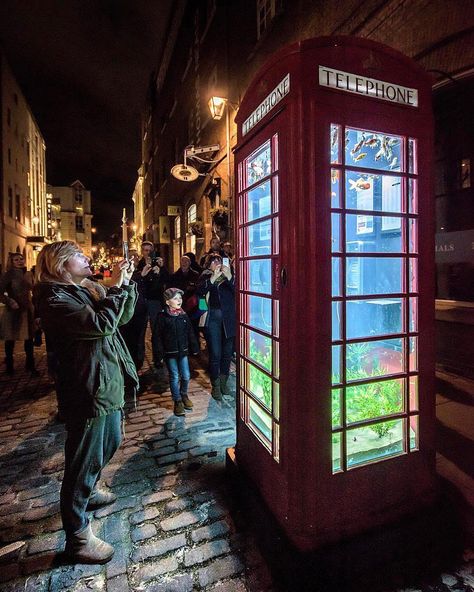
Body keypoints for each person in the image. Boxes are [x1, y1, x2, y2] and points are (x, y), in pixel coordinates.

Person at [34, 240, 138, 565]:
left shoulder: (85, 289)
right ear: (61, 264)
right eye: (79, 255)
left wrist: (126, 284)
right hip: (87, 387)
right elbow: (100, 325)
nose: (87, 258)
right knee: (81, 461)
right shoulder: (55, 299)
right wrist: (117, 288)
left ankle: (90, 491)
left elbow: (122, 318)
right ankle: (78, 537)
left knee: (113, 440)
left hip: (106, 380)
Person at [153, 287, 199, 416]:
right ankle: (177, 400)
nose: (179, 300)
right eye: (175, 298)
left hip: (183, 351)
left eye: (180, 298)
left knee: (186, 375)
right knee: (174, 376)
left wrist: (194, 347)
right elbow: (157, 337)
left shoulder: (183, 315)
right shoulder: (162, 316)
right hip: (170, 352)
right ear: (168, 302)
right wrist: (158, 355)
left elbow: (190, 332)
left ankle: (183, 394)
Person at [197, 254, 235, 400]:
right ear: (209, 265)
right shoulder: (206, 278)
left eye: (219, 261)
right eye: (213, 262)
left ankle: (224, 383)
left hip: (229, 320)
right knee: (215, 353)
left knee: (227, 353)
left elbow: (239, 292)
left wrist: (229, 276)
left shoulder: (230, 277)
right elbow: (199, 292)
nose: (217, 263)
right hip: (212, 319)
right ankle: (216, 386)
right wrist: (213, 278)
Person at [0, 253, 38, 376]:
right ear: (11, 261)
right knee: (10, 339)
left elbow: (33, 288)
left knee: (29, 339)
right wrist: (9, 301)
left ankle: (30, 366)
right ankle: (9, 366)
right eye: (16, 260)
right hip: (13, 311)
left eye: (21, 259)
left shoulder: (28, 274)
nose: (20, 261)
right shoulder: (8, 274)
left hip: (26, 310)